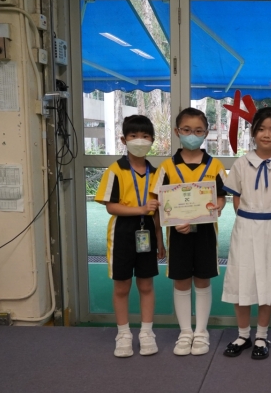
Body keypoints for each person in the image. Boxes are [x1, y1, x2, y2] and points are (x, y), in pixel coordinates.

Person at [222, 107, 271, 360]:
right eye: (261, 129)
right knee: (241, 279)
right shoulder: (242, 163)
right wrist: (247, 217)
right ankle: (243, 335)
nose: (266, 134)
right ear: (253, 132)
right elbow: (236, 199)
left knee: (269, 281)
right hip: (245, 228)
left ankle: (262, 335)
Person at [151, 108, 227, 356]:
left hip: (206, 234)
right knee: (182, 281)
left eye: (198, 131)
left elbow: (222, 198)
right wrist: (165, 232)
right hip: (178, 234)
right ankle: (185, 332)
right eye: (186, 130)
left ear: (206, 133)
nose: (192, 135)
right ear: (177, 132)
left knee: (203, 279)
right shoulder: (166, 167)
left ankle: (201, 332)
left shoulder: (215, 165)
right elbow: (158, 203)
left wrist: (218, 206)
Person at [94, 114, 165, 358]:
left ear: (152, 140)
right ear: (123, 139)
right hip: (122, 233)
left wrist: (160, 240)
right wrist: (140, 209)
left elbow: (158, 211)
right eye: (134, 135)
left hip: (148, 233)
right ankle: (123, 334)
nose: (139, 140)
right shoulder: (115, 170)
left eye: (145, 136)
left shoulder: (157, 173)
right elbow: (111, 207)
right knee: (122, 286)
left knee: (146, 284)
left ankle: (146, 332)